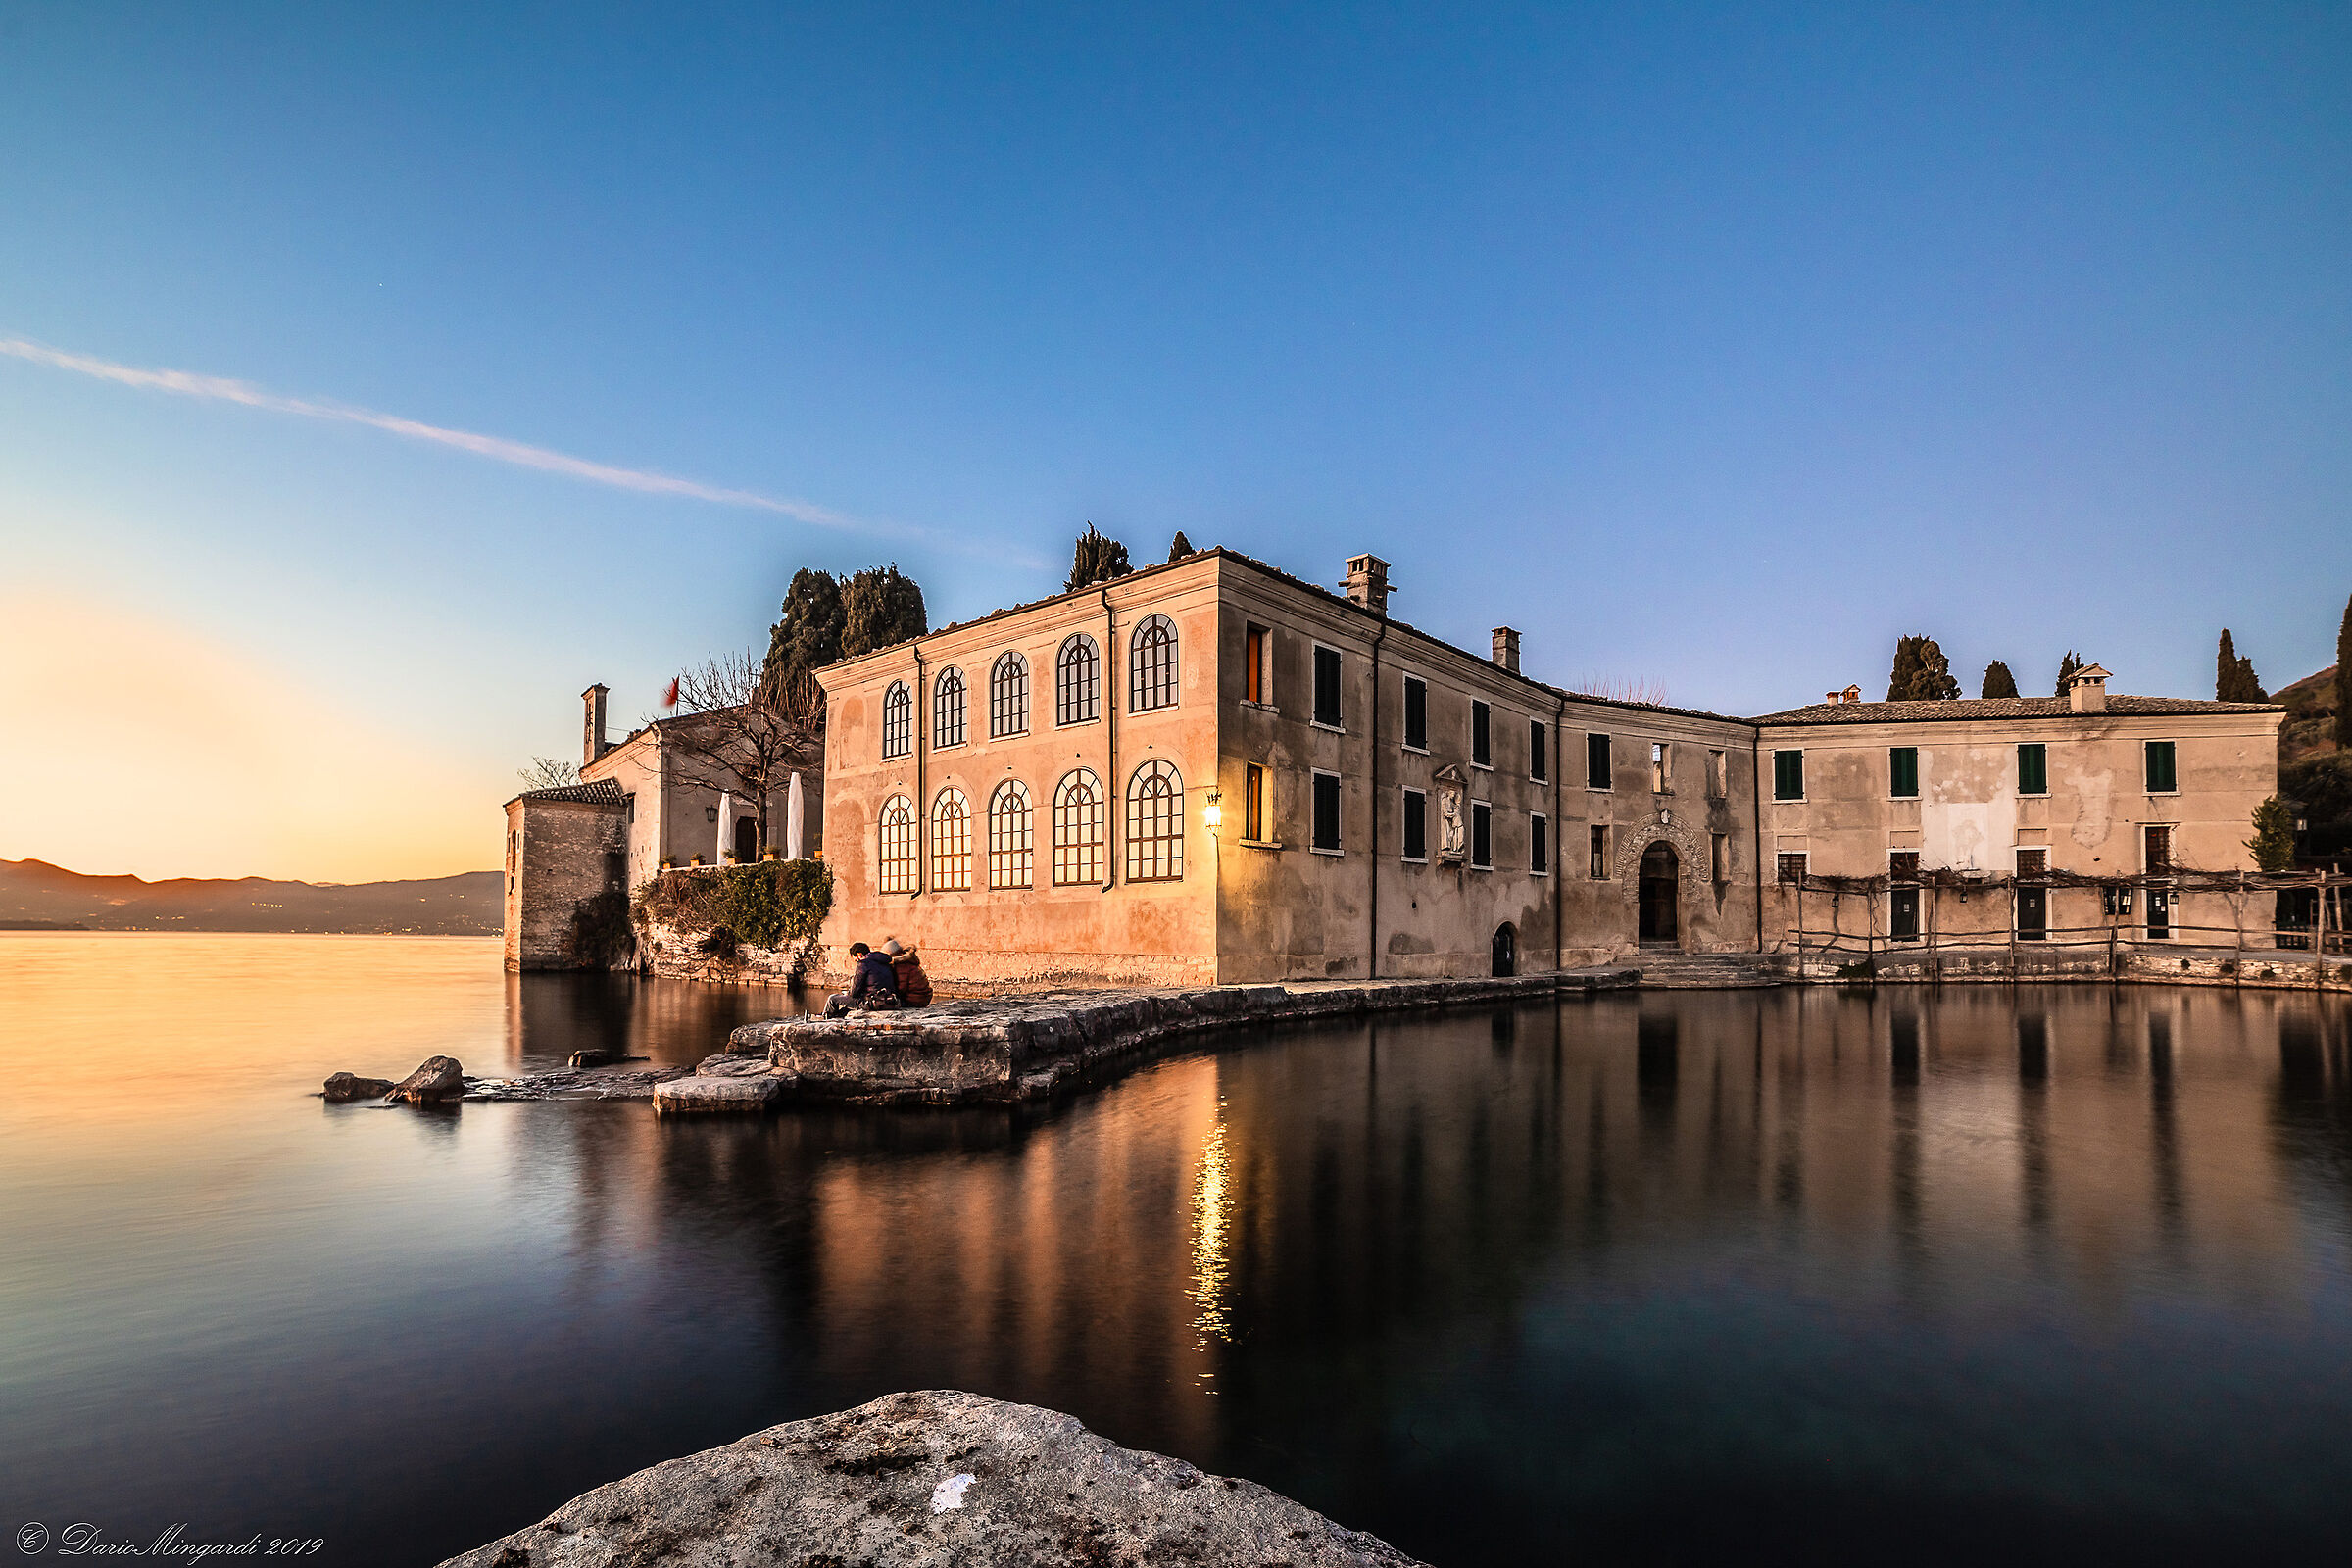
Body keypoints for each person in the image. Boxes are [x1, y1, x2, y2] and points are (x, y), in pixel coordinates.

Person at [824, 941, 901, 1018]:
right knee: (845, 1010)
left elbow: (854, 992)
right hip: (889, 1001)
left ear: (859, 954)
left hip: (873, 1002)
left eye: (855, 958)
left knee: (832, 998)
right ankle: (836, 1017)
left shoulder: (863, 964)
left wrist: (848, 994)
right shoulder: (885, 963)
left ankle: (826, 1019)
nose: (855, 961)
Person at [885, 939, 933, 1007]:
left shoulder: (901, 966)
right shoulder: (909, 961)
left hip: (916, 1000)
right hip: (924, 996)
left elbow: (901, 988)